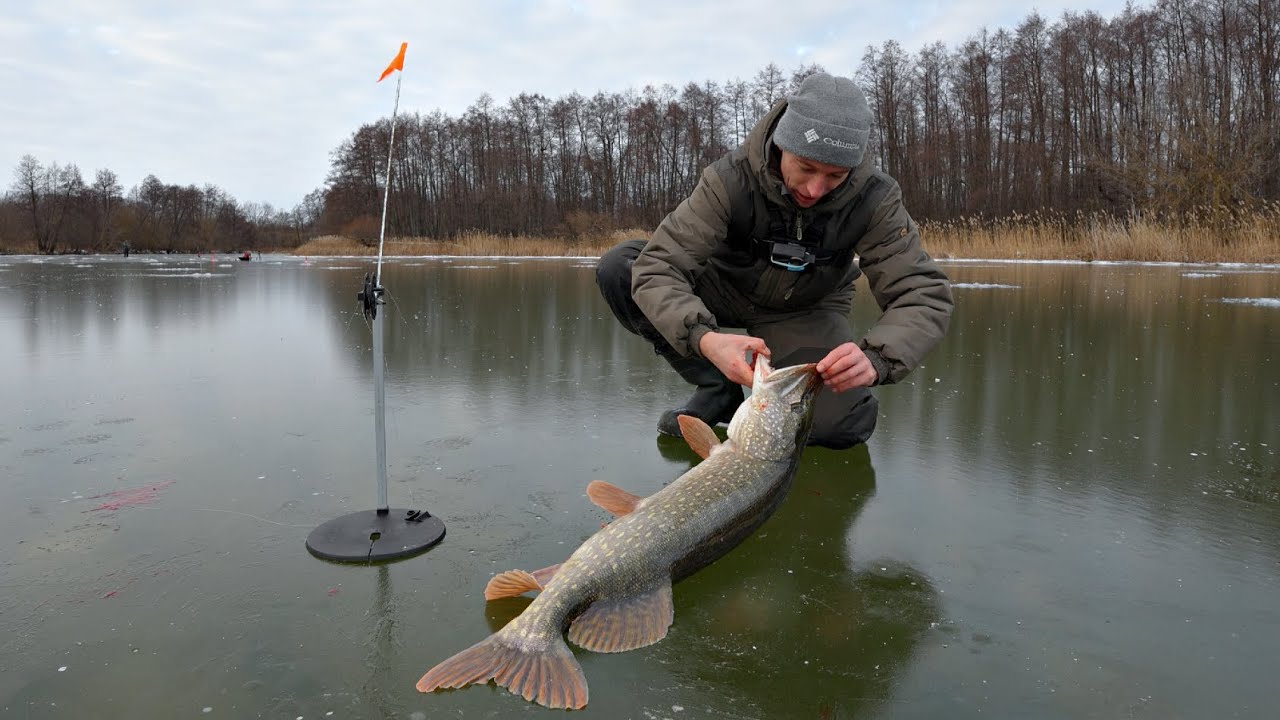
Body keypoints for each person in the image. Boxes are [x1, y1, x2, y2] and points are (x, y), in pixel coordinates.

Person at [595, 72, 953, 449]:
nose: (815, 189)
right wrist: (705, 340)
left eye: (835, 175)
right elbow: (659, 267)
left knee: (840, 426)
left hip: (804, 310)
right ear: (782, 146)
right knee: (622, 267)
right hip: (722, 289)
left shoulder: (876, 198)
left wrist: (878, 357)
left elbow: (923, 293)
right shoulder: (729, 179)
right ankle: (716, 386)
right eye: (806, 167)